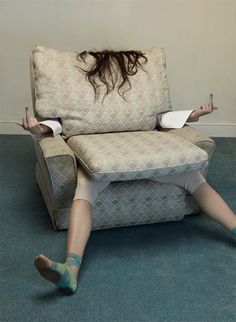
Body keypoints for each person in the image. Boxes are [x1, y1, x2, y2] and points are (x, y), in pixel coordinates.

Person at [17, 50, 236, 295]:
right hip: (98, 157)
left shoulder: (140, 97)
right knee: (84, 185)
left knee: (194, 177)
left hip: (144, 145)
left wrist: (194, 114)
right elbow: (59, 124)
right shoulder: (78, 101)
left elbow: (160, 118)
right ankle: (71, 269)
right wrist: (39, 128)